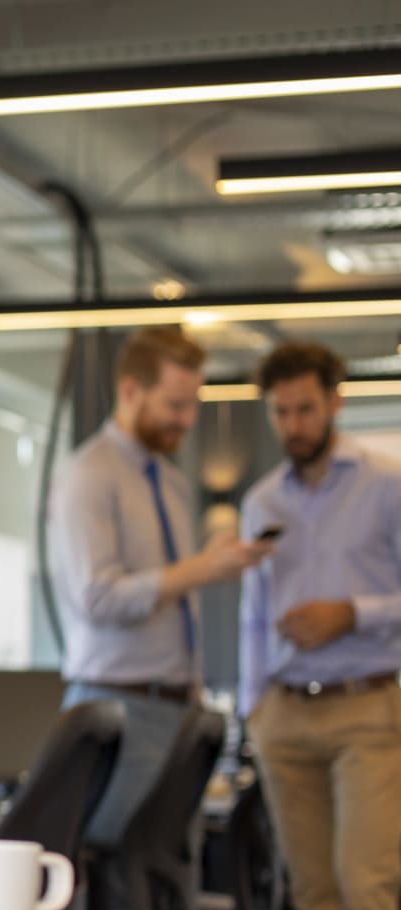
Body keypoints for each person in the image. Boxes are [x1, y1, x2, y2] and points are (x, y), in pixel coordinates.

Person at [48, 326, 269, 845]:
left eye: (193, 404)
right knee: (114, 872)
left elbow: (169, 598)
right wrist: (203, 569)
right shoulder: (88, 474)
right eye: (175, 404)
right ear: (130, 391)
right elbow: (97, 598)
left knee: (171, 872)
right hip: (116, 706)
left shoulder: (168, 479)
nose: (187, 420)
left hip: (177, 707)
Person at [239, 342, 401, 910]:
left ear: (335, 401)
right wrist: (254, 708)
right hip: (284, 715)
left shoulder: (386, 486)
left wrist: (352, 613)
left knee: (365, 887)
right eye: (281, 413)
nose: (294, 426)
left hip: (366, 707)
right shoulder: (261, 502)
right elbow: (253, 614)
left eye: (306, 409)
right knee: (314, 898)